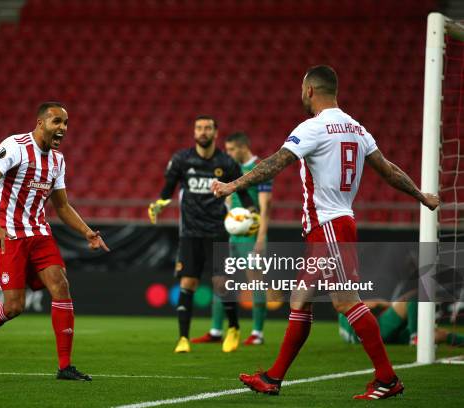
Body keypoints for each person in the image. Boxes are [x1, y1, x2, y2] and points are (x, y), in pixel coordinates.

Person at [212, 65, 439, 399]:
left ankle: (387, 379)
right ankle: (274, 378)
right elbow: (389, 170)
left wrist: (233, 183)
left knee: (346, 302)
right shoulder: (357, 129)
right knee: (300, 299)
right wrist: (421, 196)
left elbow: (276, 162)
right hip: (335, 224)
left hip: (329, 226)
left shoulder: (313, 127)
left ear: (309, 91)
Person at [0, 102, 109, 381]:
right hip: (8, 233)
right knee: (14, 306)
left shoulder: (58, 161)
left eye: (65, 124)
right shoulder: (15, 146)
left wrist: (86, 231)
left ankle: (65, 367)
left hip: (38, 232)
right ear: (40, 123)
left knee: (61, 285)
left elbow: (61, 206)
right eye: (57, 122)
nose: (62, 128)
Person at [148, 115, 257, 353]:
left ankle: (234, 328)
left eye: (208, 128)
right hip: (190, 232)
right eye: (199, 128)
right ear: (194, 132)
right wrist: (158, 204)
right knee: (188, 282)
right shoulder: (181, 160)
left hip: (217, 231)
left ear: (215, 133)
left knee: (221, 283)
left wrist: (252, 213)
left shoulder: (226, 163)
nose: (203, 131)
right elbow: (166, 192)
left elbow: (246, 194)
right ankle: (183, 338)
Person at [192, 132, 273, 346]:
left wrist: (260, 239)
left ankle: (257, 333)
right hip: (230, 235)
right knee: (221, 280)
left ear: (243, 147)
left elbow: (265, 208)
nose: (228, 154)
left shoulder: (260, 168)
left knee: (255, 281)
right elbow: (229, 199)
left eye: (231, 150)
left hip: (250, 235)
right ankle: (216, 330)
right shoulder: (231, 170)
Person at [339, 299, 464, 347]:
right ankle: (415, 336)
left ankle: (415, 337)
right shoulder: (349, 303)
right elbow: (375, 304)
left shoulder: (342, 317)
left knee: (436, 335)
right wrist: (390, 304)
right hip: (374, 332)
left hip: (371, 339)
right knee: (412, 300)